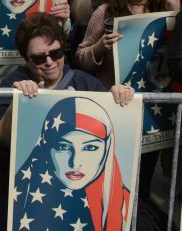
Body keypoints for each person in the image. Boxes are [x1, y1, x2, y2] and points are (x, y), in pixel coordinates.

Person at [10, 96, 132, 231]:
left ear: (107, 149)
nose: (75, 163)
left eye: (90, 148)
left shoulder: (125, 206)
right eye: (63, 147)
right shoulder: (21, 196)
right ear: (46, 146)